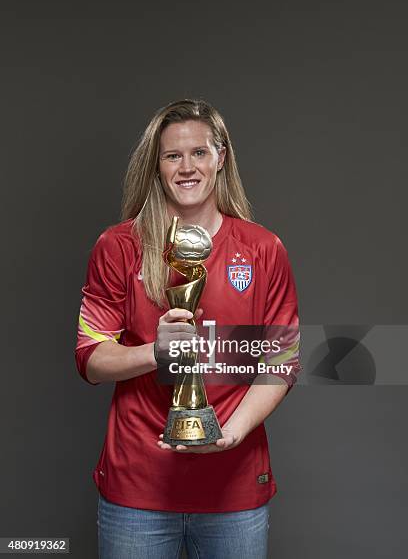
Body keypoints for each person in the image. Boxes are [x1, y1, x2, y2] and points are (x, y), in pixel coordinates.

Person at [75, 99, 300, 559]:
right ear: (156, 167)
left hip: (233, 488)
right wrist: (150, 353)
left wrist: (231, 434)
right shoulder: (118, 246)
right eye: (172, 156)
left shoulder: (263, 248)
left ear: (221, 157)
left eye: (199, 152)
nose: (186, 167)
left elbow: (281, 361)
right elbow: (90, 359)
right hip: (138, 488)